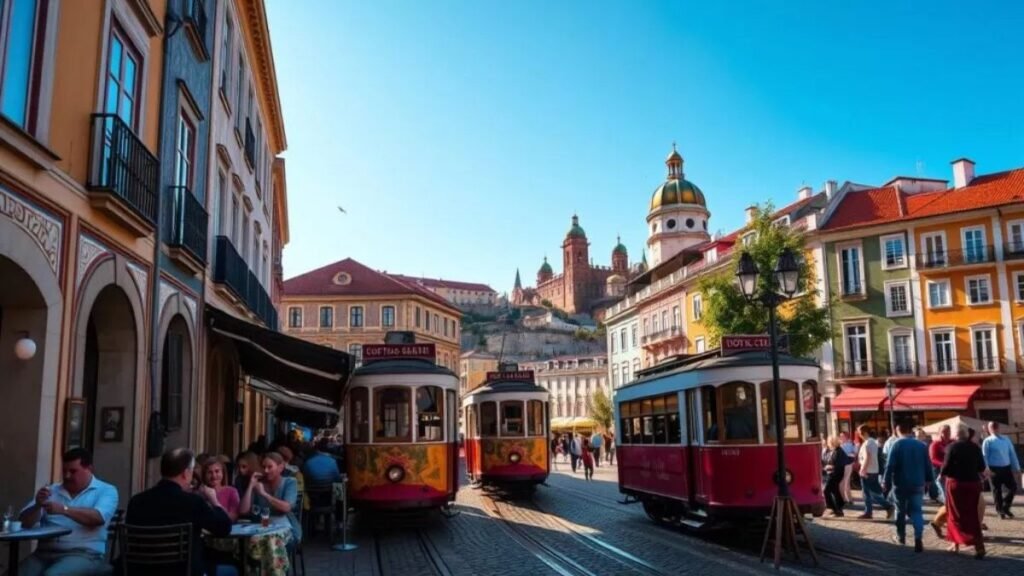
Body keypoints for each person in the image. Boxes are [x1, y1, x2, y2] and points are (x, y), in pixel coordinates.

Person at [126, 448, 233, 576]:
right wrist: (214, 501)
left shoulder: (136, 502)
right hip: (183, 571)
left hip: (140, 571)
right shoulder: (192, 502)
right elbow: (224, 527)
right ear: (186, 473)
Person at [17, 448, 117, 576]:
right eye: (64, 471)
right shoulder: (51, 490)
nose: (67, 476)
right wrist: (37, 505)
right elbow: (24, 524)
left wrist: (64, 510)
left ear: (89, 469)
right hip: (43, 554)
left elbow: (98, 518)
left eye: (73, 471)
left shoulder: (106, 490)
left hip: (84, 554)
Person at [883, 423, 934, 552]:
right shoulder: (921, 445)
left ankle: (901, 536)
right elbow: (928, 464)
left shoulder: (897, 444)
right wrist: (929, 480)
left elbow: (889, 465)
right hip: (918, 483)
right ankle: (918, 537)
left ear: (897, 430)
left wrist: (886, 482)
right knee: (917, 510)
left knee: (900, 510)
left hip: (900, 483)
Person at [940, 425, 986, 559]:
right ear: (967, 435)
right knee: (972, 515)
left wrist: (943, 473)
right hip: (973, 483)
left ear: (955, 435)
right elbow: (981, 467)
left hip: (956, 484)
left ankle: (956, 545)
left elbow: (946, 467)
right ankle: (979, 546)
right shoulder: (975, 447)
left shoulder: (951, 447)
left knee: (955, 515)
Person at [240, 452, 302, 546]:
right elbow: (243, 510)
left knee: (270, 543)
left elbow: (286, 507)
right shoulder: (259, 483)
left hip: (285, 529)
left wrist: (264, 494)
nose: (266, 470)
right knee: (248, 543)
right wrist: (251, 485)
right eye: (264, 467)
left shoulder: (289, 482)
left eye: (270, 467)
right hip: (261, 528)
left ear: (280, 467)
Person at [981, 421, 1020, 519]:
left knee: (1013, 487)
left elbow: (1012, 454)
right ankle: (1000, 511)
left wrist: (1017, 467)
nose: (994, 429)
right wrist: (986, 469)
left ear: (998, 428)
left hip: (1006, 467)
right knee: (996, 490)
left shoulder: (1006, 439)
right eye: (992, 427)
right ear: (989, 429)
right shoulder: (987, 441)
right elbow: (984, 456)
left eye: (995, 427)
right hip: (994, 468)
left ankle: (1005, 506)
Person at [856, 425, 894, 519]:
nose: (859, 434)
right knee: (869, 492)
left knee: (869, 492)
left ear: (863, 433)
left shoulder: (868, 442)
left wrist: (863, 469)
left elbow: (867, 457)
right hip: (871, 470)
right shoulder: (871, 442)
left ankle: (887, 506)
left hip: (868, 470)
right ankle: (869, 511)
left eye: (859, 432)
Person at [203, 457, 241, 522]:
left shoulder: (232, 491)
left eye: (217, 471)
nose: (214, 476)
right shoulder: (199, 493)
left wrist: (215, 502)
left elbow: (233, 518)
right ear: (204, 475)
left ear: (223, 473)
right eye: (209, 472)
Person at [822, 436, 849, 516]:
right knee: (834, 490)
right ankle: (839, 508)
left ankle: (833, 507)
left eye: (829, 441)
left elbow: (840, 464)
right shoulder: (831, 450)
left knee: (826, 490)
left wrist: (831, 467)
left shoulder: (839, 451)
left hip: (836, 474)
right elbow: (826, 461)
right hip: (830, 473)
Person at [929, 425, 952, 504]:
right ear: (940, 433)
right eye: (944, 432)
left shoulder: (952, 442)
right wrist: (944, 465)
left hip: (951, 470)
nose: (946, 434)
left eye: (948, 432)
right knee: (945, 492)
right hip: (939, 470)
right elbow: (933, 459)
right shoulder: (935, 444)